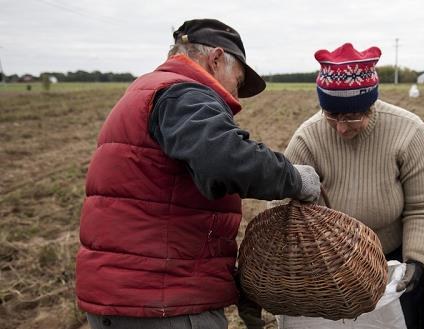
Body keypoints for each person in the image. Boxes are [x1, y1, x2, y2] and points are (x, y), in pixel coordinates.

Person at [75, 19, 320, 329]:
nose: (236, 92)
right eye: (238, 78)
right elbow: (224, 158)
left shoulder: (151, 89)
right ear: (216, 59)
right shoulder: (184, 93)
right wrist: (295, 179)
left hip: (130, 292)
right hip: (163, 300)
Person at [281, 43, 424, 328]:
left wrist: (415, 261)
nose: (342, 127)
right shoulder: (307, 138)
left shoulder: (409, 131)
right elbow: (282, 206)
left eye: (352, 116)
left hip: (389, 260)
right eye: (332, 115)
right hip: (327, 263)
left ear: (372, 105)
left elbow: (423, 205)